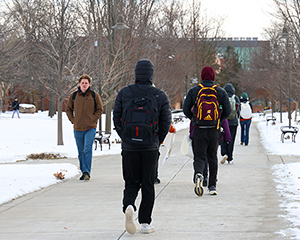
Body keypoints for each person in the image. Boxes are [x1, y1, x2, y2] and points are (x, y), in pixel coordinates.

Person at [113, 59, 171, 234]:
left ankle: (129, 205)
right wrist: (157, 140)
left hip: (129, 147)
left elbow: (116, 118)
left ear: (136, 73)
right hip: (150, 147)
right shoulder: (160, 95)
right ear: (151, 74)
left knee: (131, 182)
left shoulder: (124, 93)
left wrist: (124, 137)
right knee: (147, 184)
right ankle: (145, 223)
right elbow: (166, 122)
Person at [183, 66, 231, 196]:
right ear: (213, 76)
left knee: (199, 156)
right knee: (212, 157)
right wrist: (219, 121)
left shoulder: (195, 91)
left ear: (202, 76)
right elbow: (228, 110)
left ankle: (199, 174)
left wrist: (194, 119)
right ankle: (212, 185)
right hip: (214, 130)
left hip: (199, 129)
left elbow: (185, 108)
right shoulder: (220, 92)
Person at [65, 74, 103, 181]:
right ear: (79, 84)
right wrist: (73, 120)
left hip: (90, 127)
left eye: (86, 83)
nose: (84, 85)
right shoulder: (74, 96)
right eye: (82, 83)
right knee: (81, 151)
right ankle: (83, 171)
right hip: (78, 128)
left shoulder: (94, 96)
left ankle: (87, 171)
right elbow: (68, 109)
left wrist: (93, 119)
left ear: (89, 84)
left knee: (87, 149)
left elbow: (100, 110)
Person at [221, 83, 241, 164]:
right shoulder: (235, 98)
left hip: (224, 121)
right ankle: (230, 158)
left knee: (223, 138)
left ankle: (224, 154)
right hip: (234, 122)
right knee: (231, 139)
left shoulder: (222, 97)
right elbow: (238, 110)